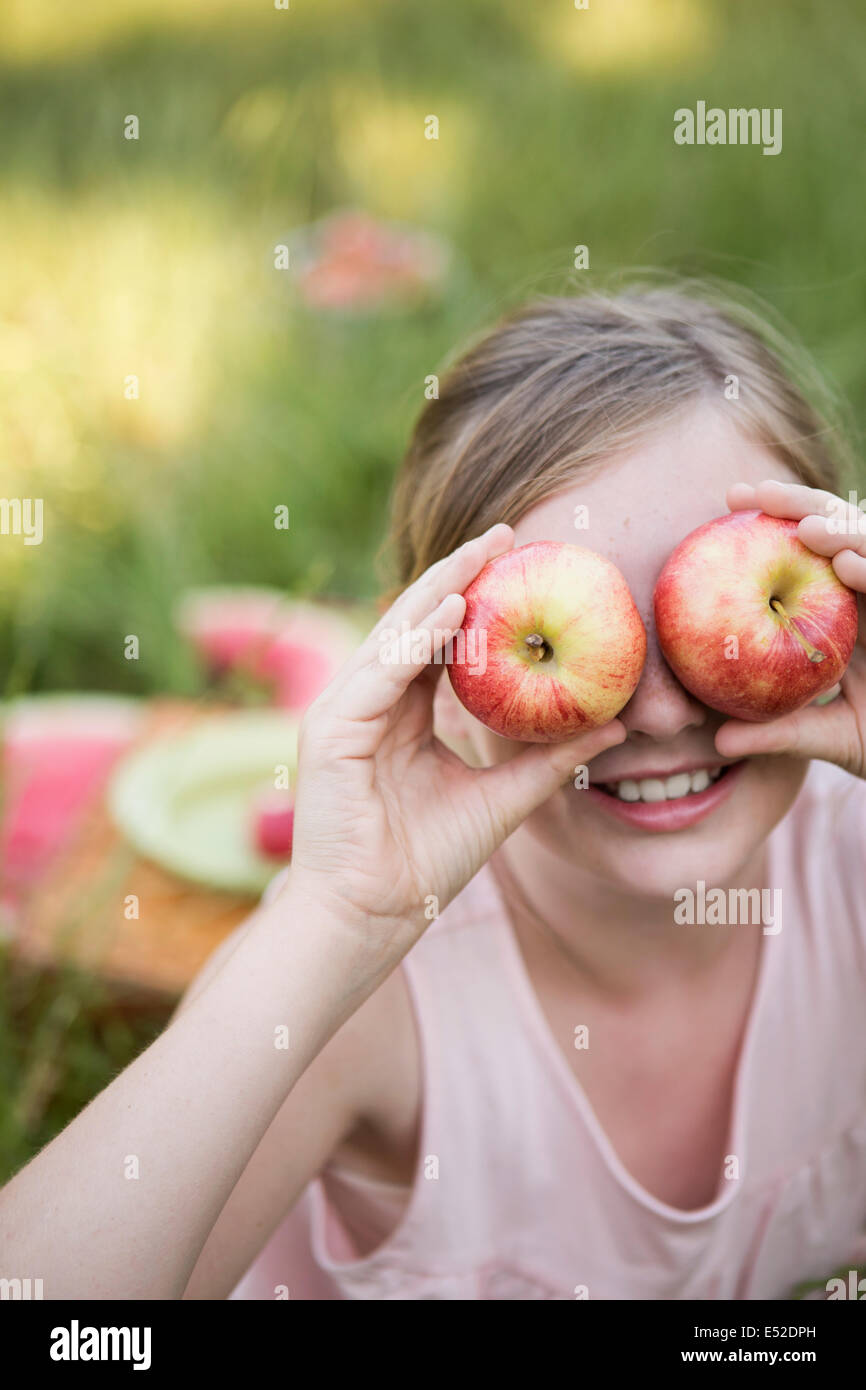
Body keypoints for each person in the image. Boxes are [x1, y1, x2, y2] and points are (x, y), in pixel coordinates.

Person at [3, 283, 866, 1301]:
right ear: (434, 664)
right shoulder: (374, 994)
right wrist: (334, 918)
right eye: (597, 641)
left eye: (707, 635)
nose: (659, 715)